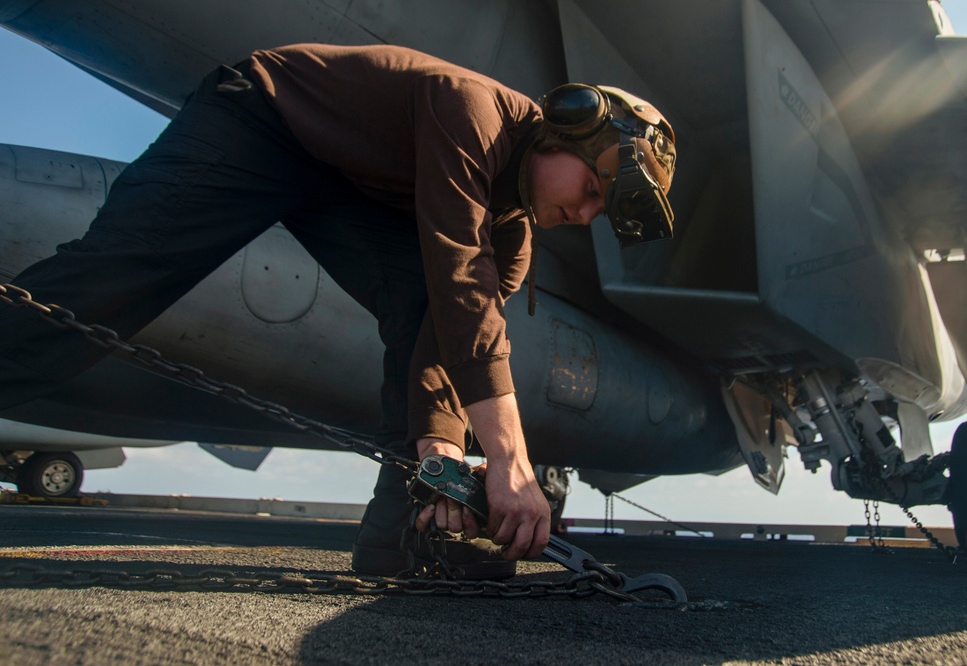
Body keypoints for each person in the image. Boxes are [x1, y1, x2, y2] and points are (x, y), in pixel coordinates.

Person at [0, 44, 677, 578]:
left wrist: (442, 454)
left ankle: (406, 538)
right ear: (564, 129)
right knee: (116, 278)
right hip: (261, 120)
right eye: (592, 189)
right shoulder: (472, 110)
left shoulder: (513, 236)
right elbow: (460, 283)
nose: (584, 215)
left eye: (599, 213)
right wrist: (510, 460)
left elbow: (446, 335)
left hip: (341, 182)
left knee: (423, 317)